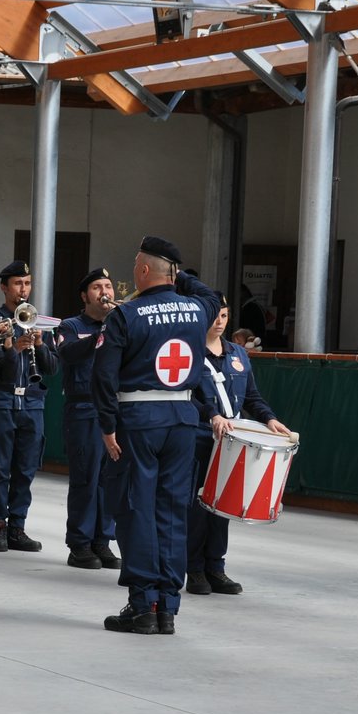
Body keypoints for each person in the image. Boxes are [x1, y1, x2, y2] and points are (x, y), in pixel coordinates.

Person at [93, 236, 222, 635]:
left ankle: (142, 603)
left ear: (145, 270)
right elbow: (211, 296)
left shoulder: (126, 315)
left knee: (136, 509)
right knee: (171, 511)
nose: (133, 270)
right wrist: (179, 279)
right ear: (176, 272)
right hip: (183, 417)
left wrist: (108, 426)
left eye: (136, 265)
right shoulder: (198, 310)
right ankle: (167, 606)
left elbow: (104, 376)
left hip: (138, 418)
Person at [186, 301, 292, 595]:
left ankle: (215, 567)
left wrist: (270, 419)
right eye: (213, 316)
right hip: (199, 436)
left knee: (223, 504)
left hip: (231, 439)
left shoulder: (238, 354)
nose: (219, 322)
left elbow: (252, 397)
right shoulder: (190, 353)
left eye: (224, 316)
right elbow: (183, 394)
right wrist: (211, 414)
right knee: (197, 505)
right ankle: (193, 568)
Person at [0, 261, 60, 553]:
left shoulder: (39, 321)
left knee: (26, 469)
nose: (23, 289)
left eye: (27, 283)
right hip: (2, 400)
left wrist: (39, 344)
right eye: (17, 283)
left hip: (33, 402)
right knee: (1, 468)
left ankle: (18, 526)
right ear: (4, 287)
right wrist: (13, 348)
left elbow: (51, 367)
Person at [54, 268, 122, 571]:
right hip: (84, 409)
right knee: (86, 478)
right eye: (97, 287)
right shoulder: (71, 325)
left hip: (114, 408)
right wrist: (102, 333)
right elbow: (67, 354)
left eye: (108, 286)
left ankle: (102, 541)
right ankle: (79, 543)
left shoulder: (121, 324)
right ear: (85, 296)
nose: (105, 292)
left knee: (110, 479)